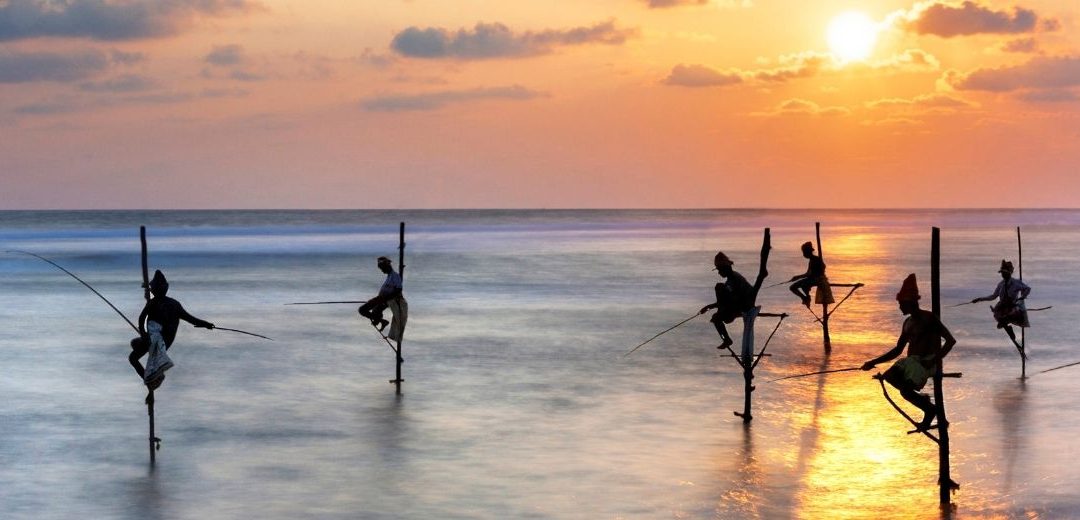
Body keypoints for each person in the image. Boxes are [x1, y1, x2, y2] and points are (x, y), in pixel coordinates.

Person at [862, 274, 956, 432]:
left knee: (905, 391)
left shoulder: (929, 318)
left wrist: (933, 361)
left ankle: (930, 411)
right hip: (912, 363)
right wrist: (873, 362)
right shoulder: (907, 323)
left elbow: (950, 341)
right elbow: (898, 350)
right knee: (890, 376)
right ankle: (925, 402)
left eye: (901, 304)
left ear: (909, 303)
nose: (899, 307)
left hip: (927, 362)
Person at [129, 270, 214, 403]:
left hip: (158, 341)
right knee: (135, 344)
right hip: (160, 340)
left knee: (133, 357)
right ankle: (150, 383)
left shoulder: (155, 303)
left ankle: (151, 386)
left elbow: (141, 320)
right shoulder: (172, 304)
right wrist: (206, 324)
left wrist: (206, 324)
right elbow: (192, 320)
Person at [970, 260, 1031, 358]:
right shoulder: (1001, 284)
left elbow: (1027, 289)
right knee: (998, 315)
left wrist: (1022, 297)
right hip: (1002, 306)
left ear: (1009, 273)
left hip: (1012, 306)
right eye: (1002, 273)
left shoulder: (1016, 283)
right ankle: (1008, 328)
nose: (1003, 275)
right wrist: (980, 299)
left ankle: (1007, 326)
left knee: (1010, 315)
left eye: (1005, 273)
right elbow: (993, 296)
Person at [699, 251, 755, 349]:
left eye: (720, 270)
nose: (719, 273)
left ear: (726, 269)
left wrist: (714, 308)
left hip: (743, 306)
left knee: (716, 317)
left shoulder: (733, 280)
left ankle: (726, 339)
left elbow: (730, 300)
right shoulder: (731, 279)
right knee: (716, 317)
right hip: (740, 304)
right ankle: (726, 338)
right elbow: (725, 301)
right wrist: (709, 307)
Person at [358, 256, 403, 333]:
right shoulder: (390, 276)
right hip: (381, 299)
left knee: (362, 310)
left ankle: (381, 321)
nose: (382, 271)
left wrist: (384, 300)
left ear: (387, 266)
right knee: (375, 314)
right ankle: (380, 320)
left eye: (382, 269)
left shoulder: (395, 276)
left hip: (383, 300)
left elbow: (398, 290)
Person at [789, 241, 828, 308]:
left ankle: (806, 298)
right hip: (813, 278)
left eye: (804, 252)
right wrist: (797, 277)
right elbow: (809, 273)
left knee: (795, 287)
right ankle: (806, 297)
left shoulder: (814, 260)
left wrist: (797, 277)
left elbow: (809, 273)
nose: (803, 254)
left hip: (817, 279)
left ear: (807, 252)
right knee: (798, 286)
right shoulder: (813, 259)